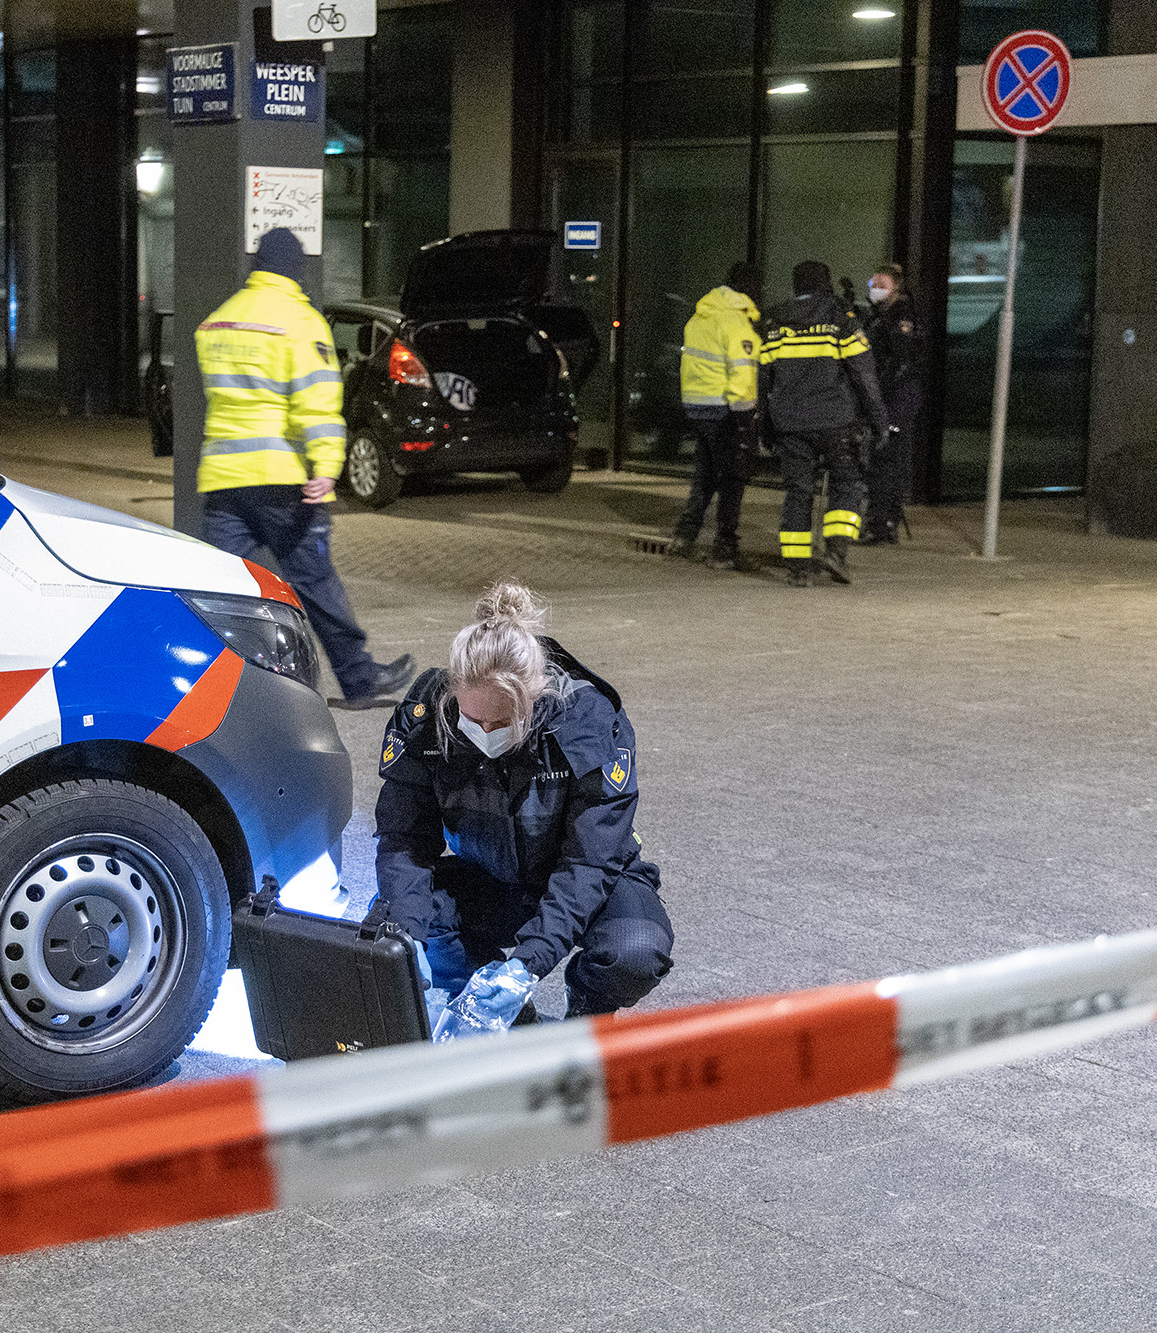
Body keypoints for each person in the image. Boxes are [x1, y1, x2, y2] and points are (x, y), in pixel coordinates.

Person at [373, 581, 673, 1027]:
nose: (485, 730)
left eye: (502, 720)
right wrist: (407, 938)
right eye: (472, 719)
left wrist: (527, 965)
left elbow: (589, 863)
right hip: (489, 874)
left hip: (587, 876)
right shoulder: (426, 717)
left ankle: (587, 1015)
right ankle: (497, 1012)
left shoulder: (586, 724)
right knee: (397, 921)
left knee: (634, 951)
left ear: (537, 695)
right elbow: (404, 840)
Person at [195, 227, 413, 707]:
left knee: (226, 593)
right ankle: (359, 679)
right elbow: (315, 406)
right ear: (294, 269)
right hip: (282, 480)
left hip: (223, 480)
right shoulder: (299, 321)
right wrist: (327, 464)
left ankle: (224, 691)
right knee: (313, 580)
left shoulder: (218, 322)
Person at [757, 259, 889, 588]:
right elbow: (863, 373)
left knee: (797, 492)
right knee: (847, 483)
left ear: (796, 285)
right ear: (825, 284)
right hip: (837, 421)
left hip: (790, 424)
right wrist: (879, 419)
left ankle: (798, 569)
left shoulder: (773, 322)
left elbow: (763, 380)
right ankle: (836, 553)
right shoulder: (840, 318)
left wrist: (765, 427)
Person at [668, 261, 762, 570]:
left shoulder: (701, 315)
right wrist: (745, 418)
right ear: (749, 288)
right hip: (724, 408)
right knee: (733, 476)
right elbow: (742, 373)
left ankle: (685, 535)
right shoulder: (735, 322)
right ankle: (725, 546)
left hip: (697, 404)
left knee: (706, 472)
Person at [860, 263, 926, 546]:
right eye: (873, 283)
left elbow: (902, 361)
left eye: (881, 284)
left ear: (896, 287)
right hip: (886, 395)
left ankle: (884, 522)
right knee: (879, 457)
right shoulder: (879, 315)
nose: (875, 288)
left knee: (889, 458)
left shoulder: (902, 317)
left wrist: (879, 392)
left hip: (897, 396)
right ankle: (879, 519)